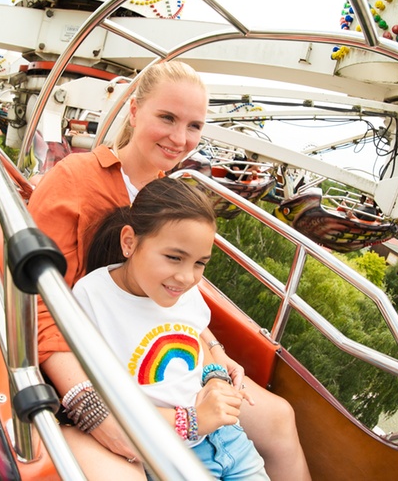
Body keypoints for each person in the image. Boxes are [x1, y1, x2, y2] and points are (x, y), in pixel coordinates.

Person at [27, 61, 309, 480]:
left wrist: (215, 355)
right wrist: (90, 406)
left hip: (166, 365)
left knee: (279, 417)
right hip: (96, 369)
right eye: (167, 118)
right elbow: (40, 305)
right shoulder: (75, 180)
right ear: (135, 111)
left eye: (194, 126)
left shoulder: (170, 193)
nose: (180, 138)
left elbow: (182, 302)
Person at [73, 178, 268, 479]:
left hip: (228, 437)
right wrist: (193, 420)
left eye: (200, 263)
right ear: (129, 242)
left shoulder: (183, 292)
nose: (187, 277)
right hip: (171, 454)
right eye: (174, 258)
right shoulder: (92, 298)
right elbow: (101, 397)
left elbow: (194, 340)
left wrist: (216, 380)